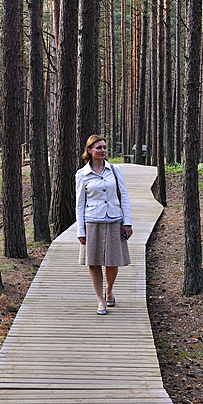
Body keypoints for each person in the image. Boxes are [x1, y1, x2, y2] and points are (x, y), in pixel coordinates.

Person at [76, 134, 133, 315]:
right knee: (93, 262)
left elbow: (123, 196)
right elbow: (79, 204)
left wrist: (128, 222)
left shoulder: (114, 170)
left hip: (114, 219)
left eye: (104, 147)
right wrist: (80, 230)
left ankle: (109, 289)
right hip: (92, 221)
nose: (102, 150)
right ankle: (100, 299)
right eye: (98, 147)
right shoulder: (82, 174)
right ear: (89, 151)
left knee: (112, 261)